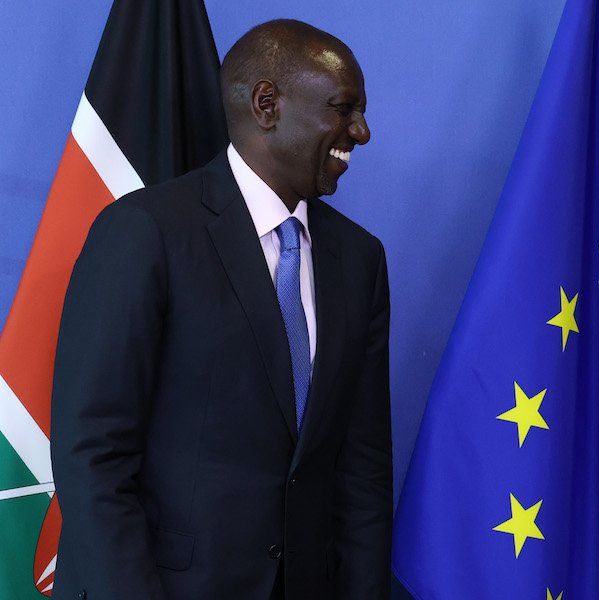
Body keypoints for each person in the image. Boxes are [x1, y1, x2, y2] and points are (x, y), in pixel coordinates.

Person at [50, 20, 391, 600]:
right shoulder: (145, 232)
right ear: (267, 104)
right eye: (343, 108)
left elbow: (362, 468)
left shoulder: (359, 259)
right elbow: (93, 456)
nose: (359, 131)